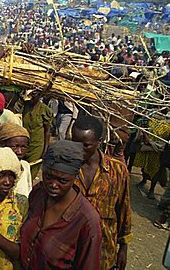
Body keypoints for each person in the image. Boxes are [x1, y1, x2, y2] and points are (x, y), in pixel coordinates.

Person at [19, 140, 102, 270]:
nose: (53, 185)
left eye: (63, 180)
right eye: (48, 176)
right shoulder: (38, 193)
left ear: (75, 177)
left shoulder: (87, 220)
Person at [72, 115, 132, 270]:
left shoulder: (117, 170)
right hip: (71, 250)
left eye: (86, 145)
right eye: (75, 143)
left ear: (100, 141)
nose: (79, 150)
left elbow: (123, 209)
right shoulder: (66, 169)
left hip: (104, 252)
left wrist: (123, 248)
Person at [22, 94, 53, 178]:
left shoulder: (44, 110)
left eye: (33, 96)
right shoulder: (25, 107)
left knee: (32, 171)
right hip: (24, 144)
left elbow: (47, 131)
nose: (30, 99)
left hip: (37, 145)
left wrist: (45, 149)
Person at [0, 123, 33, 197]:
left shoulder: (25, 165)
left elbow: (29, 189)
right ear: (3, 145)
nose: (19, 151)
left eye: (23, 147)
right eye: (15, 146)